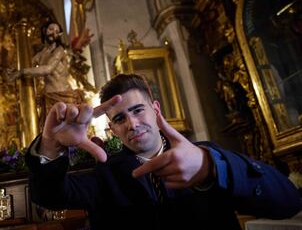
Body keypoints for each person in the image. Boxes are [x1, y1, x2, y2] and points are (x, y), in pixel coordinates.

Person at [25, 74, 300, 230]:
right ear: (112, 129)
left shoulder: (205, 157)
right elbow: (48, 196)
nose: (131, 123)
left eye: (137, 110)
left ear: (156, 111)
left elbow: (288, 202)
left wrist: (211, 168)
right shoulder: (106, 173)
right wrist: (51, 145)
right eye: (120, 119)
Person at [11, 21, 86, 118]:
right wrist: (13, 70)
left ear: (59, 35)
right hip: (48, 97)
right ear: (44, 30)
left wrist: (21, 72)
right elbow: (26, 66)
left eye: (57, 31)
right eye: (51, 29)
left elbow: (48, 69)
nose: (53, 33)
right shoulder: (40, 55)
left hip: (64, 96)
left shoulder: (59, 50)